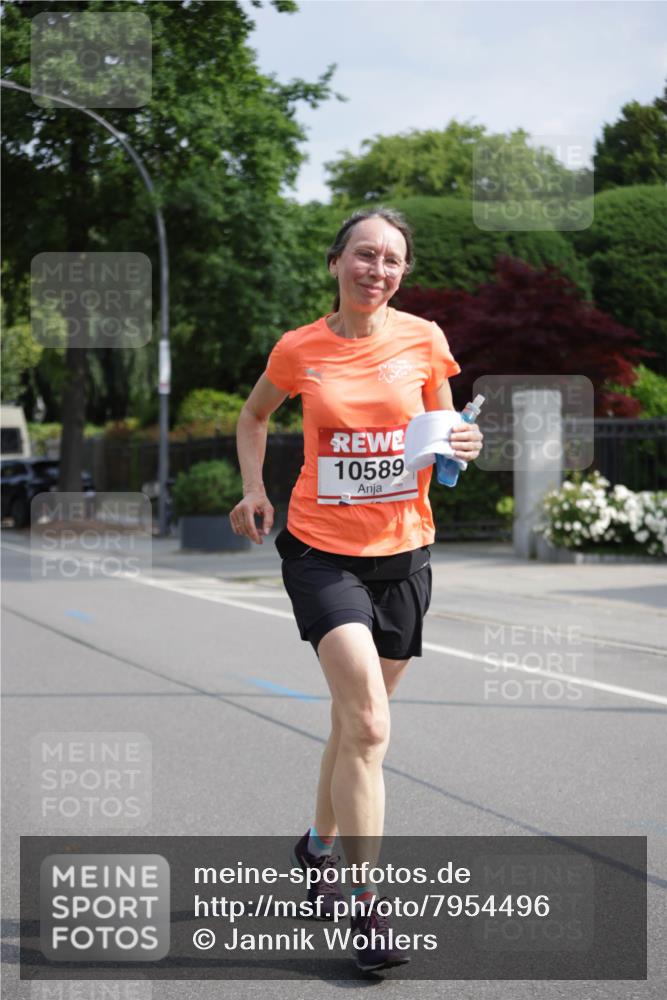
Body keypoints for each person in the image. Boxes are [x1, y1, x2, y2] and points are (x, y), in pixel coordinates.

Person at [230, 207, 483, 972]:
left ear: (402, 273)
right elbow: (252, 416)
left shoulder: (425, 340)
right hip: (320, 553)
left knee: (352, 722)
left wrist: (462, 442)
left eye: (392, 261)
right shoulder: (298, 347)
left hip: (404, 557)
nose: (377, 270)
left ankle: (315, 844)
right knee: (370, 727)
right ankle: (365, 910)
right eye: (364, 256)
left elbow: (444, 436)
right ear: (337, 262)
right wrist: (252, 489)